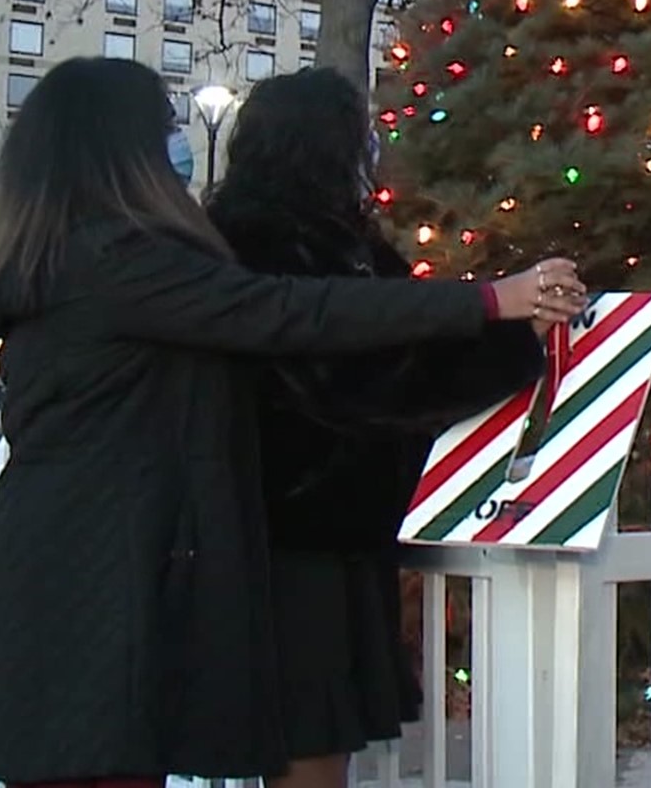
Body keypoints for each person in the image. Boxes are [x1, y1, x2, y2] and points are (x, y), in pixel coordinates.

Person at [0, 57, 586, 788]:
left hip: (76, 555)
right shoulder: (119, 261)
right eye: (163, 129)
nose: (180, 145)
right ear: (116, 147)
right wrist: (489, 302)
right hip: (100, 569)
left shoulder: (69, 254)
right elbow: (292, 312)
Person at [205, 68, 549, 788]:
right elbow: (374, 373)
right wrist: (512, 341)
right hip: (303, 529)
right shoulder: (284, 243)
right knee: (311, 732)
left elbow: (402, 327)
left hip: (296, 522)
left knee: (305, 731)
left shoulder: (264, 234)